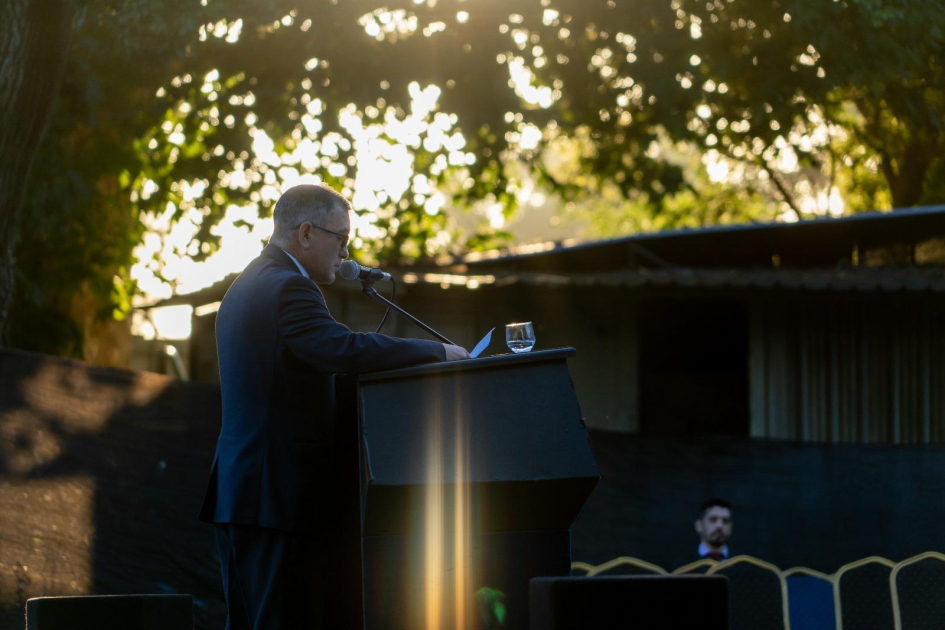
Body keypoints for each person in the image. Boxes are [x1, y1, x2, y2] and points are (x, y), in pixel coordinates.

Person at [198, 183, 470, 630]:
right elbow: (340, 349)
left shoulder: (248, 282)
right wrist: (436, 353)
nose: (346, 252)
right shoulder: (288, 287)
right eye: (340, 239)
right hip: (274, 497)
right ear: (305, 233)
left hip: (247, 492)